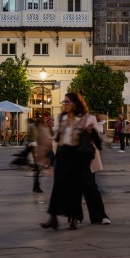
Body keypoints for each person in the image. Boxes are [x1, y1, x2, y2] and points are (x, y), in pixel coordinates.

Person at [40, 92, 93, 231]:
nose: (65, 104)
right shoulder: (61, 118)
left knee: (74, 188)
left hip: (76, 155)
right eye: (64, 102)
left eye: (68, 102)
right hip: (62, 154)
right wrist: (50, 127)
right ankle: (53, 218)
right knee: (57, 186)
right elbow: (56, 137)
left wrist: (88, 130)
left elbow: (85, 136)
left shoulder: (81, 119)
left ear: (75, 103)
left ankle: (74, 218)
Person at [79, 112, 111, 225]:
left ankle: (99, 215)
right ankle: (76, 217)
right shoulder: (66, 119)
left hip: (87, 159)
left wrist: (88, 132)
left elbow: (97, 139)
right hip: (72, 159)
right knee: (75, 189)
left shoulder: (90, 119)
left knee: (91, 187)